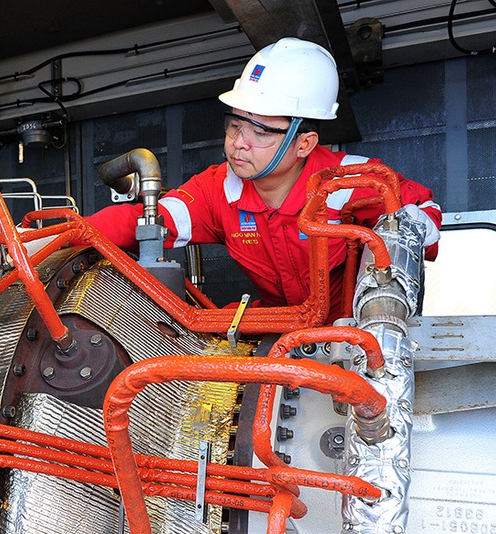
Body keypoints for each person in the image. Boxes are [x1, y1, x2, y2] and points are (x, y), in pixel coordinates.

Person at [88, 37, 441, 323]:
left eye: (260, 132)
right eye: (236, 125)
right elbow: (146, 222)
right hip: (277, 325)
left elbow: (423, 210)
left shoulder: (351, 181)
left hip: (351, 333)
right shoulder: (218, 190)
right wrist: (58, 237)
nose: (239, 143)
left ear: (304, 144)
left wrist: (391, 266)